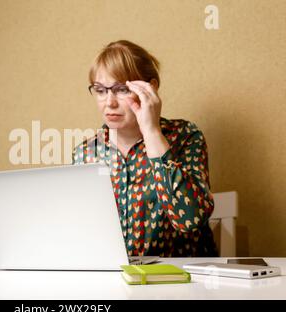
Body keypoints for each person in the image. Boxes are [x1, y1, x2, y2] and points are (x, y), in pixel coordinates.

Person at [72, 40, 218, 257]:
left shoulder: (185, 135)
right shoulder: (86, 153)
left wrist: (151, 131)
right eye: (100, 90)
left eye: (121, 89)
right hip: (115, 280)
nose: (109, 102)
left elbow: (189, 219)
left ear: (151, 88)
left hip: (182, 280)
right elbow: (81, 232)